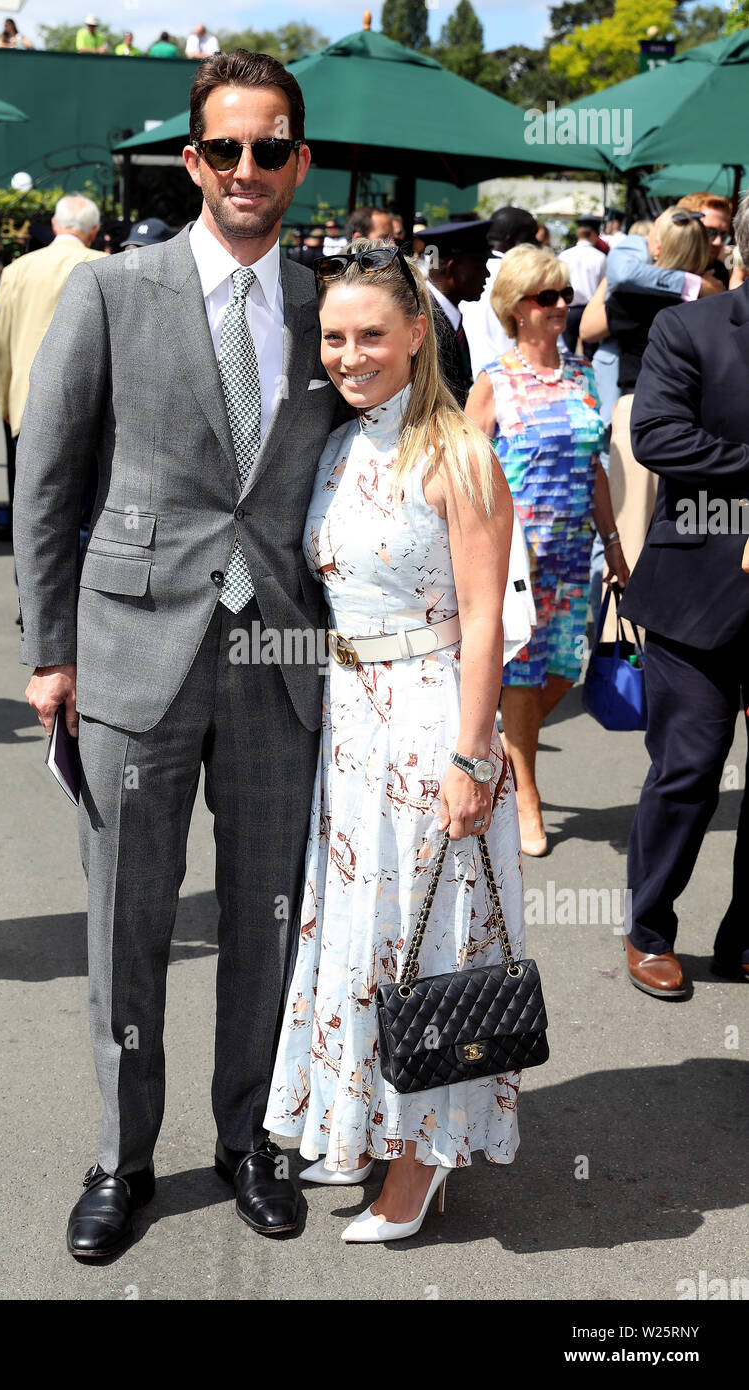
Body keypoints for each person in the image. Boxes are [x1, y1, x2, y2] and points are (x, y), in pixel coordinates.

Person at [13, 49, 349, 1261]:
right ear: (192, 158)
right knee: (126, 921)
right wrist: (48, 650)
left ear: (297, 163)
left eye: (270, 148)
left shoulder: (337, 309)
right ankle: (123, 1153)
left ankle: (248, 1136)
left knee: (269, 914)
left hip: (280, 659)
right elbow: (45, 481)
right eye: (225, 148)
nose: (247, 169)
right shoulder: (111, 290)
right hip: (129, 650)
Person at [264, 239, 523, 1243]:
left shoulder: (457, 449)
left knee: (433, 943)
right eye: (333, 335)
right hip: (351, 720)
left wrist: (469, 756)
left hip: (426, 720)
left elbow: (483, 617)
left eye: (372, 333)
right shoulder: (339, 442)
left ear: (418, 334)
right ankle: (380, 1123)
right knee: (370, 940)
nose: (349, 352)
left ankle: (420, 1164)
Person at [618, 193, 749, 997]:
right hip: (696, 596)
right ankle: (648, 927)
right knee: (688, 770)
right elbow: (659, 436)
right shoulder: (691, 327)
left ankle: (741, 937)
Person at [465, 245, 628, 857]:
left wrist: (613, 546)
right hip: (516, 562)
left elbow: (597, 471)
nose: (562, 306)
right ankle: (526, 795)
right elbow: (465, 474)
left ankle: (511, 748)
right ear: (515, 308)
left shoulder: (583, 376)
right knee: (526, 676)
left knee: (564, 672)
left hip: (572, 556)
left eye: (566, 296)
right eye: (546, 297)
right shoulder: (495, 382)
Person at [581, 210, 712, 618]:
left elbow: (586, 328)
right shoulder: (713, 297)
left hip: (637, 408)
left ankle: (615, 633)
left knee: (626, 528)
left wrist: (618, 275)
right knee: (688, 525)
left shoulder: (631, 294)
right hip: (696, 416)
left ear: (658, 246)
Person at [0, 194, 103, 535]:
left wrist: (3, 401)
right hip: (91, 412)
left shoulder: (15, 270)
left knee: (33, 520)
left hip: (25, 405)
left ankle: (31, 588)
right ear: (94, 232)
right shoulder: (104, 267)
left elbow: (0, 346)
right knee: (85, 519)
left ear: (54, 225)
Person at [418, 219, 491, 408]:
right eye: (480, 264)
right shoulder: (426, 320)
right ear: (452, 267)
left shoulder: (440, 312)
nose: (487, 274)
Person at [460, 205, 538, 378]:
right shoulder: (525, 277)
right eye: (531, 238)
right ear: (512, 240)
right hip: (510, 380)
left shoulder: (465, 273)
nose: (537, 245)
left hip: (469, 378)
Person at [558, 220, 606, 355]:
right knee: (591, 352)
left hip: (570, 308)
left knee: (567, 350)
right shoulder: (600, 257)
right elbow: (603, 285)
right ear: (593, 234)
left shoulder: (565, 255)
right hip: (590, 308)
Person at [676, 191, 733, 287]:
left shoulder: (720, 272)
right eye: (710, 231)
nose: (718, 242)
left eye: (723, 235)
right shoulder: (660, 270)